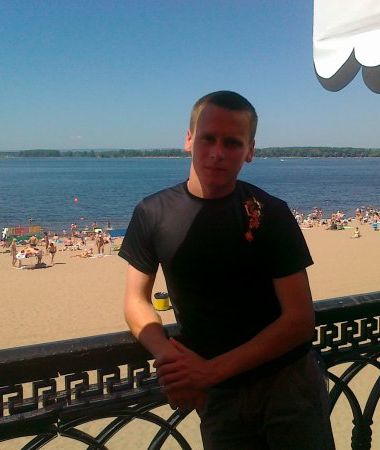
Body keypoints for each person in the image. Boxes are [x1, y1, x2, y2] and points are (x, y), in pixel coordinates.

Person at [119, 91, 334, 449]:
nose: (217, 153)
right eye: (208, 138)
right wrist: (169, 359)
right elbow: (135, 301)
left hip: (287, 383)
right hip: (217, 396)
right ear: (189, 139)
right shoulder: (152, 213)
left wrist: (209, 371)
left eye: (232, 142)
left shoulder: (270, 213)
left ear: (249, 150)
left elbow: (299, 321)